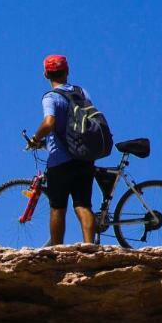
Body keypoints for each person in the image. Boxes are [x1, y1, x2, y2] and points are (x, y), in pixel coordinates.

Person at [26, 54, 96, 245]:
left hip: (60, 161)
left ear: (46, 74)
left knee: (58, 207)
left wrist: (35, 139)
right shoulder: (81, 92)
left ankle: (56, 250)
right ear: (67, 71)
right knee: (83, 205)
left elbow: (50, 123)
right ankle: (90, 247)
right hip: (84, 157)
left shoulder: (51, 97)